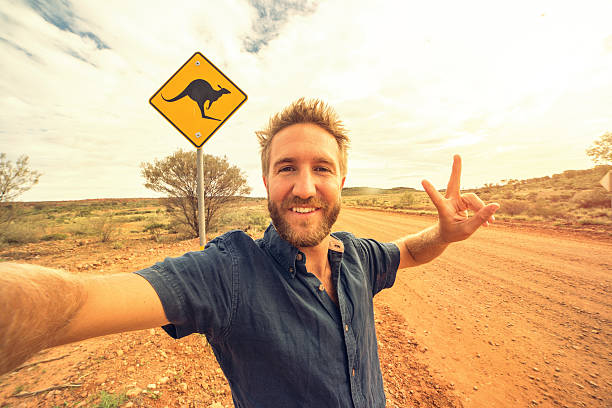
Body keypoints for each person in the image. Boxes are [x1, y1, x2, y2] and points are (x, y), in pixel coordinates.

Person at [0, 98, 499, 407]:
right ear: (266, 180)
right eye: (287, 168)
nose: (305, 187)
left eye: (322, 169)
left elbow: (408, 251)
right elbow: (77, 304)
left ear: (342, 181)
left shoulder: (359, 257)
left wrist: (443, 235)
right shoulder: (228, 273)